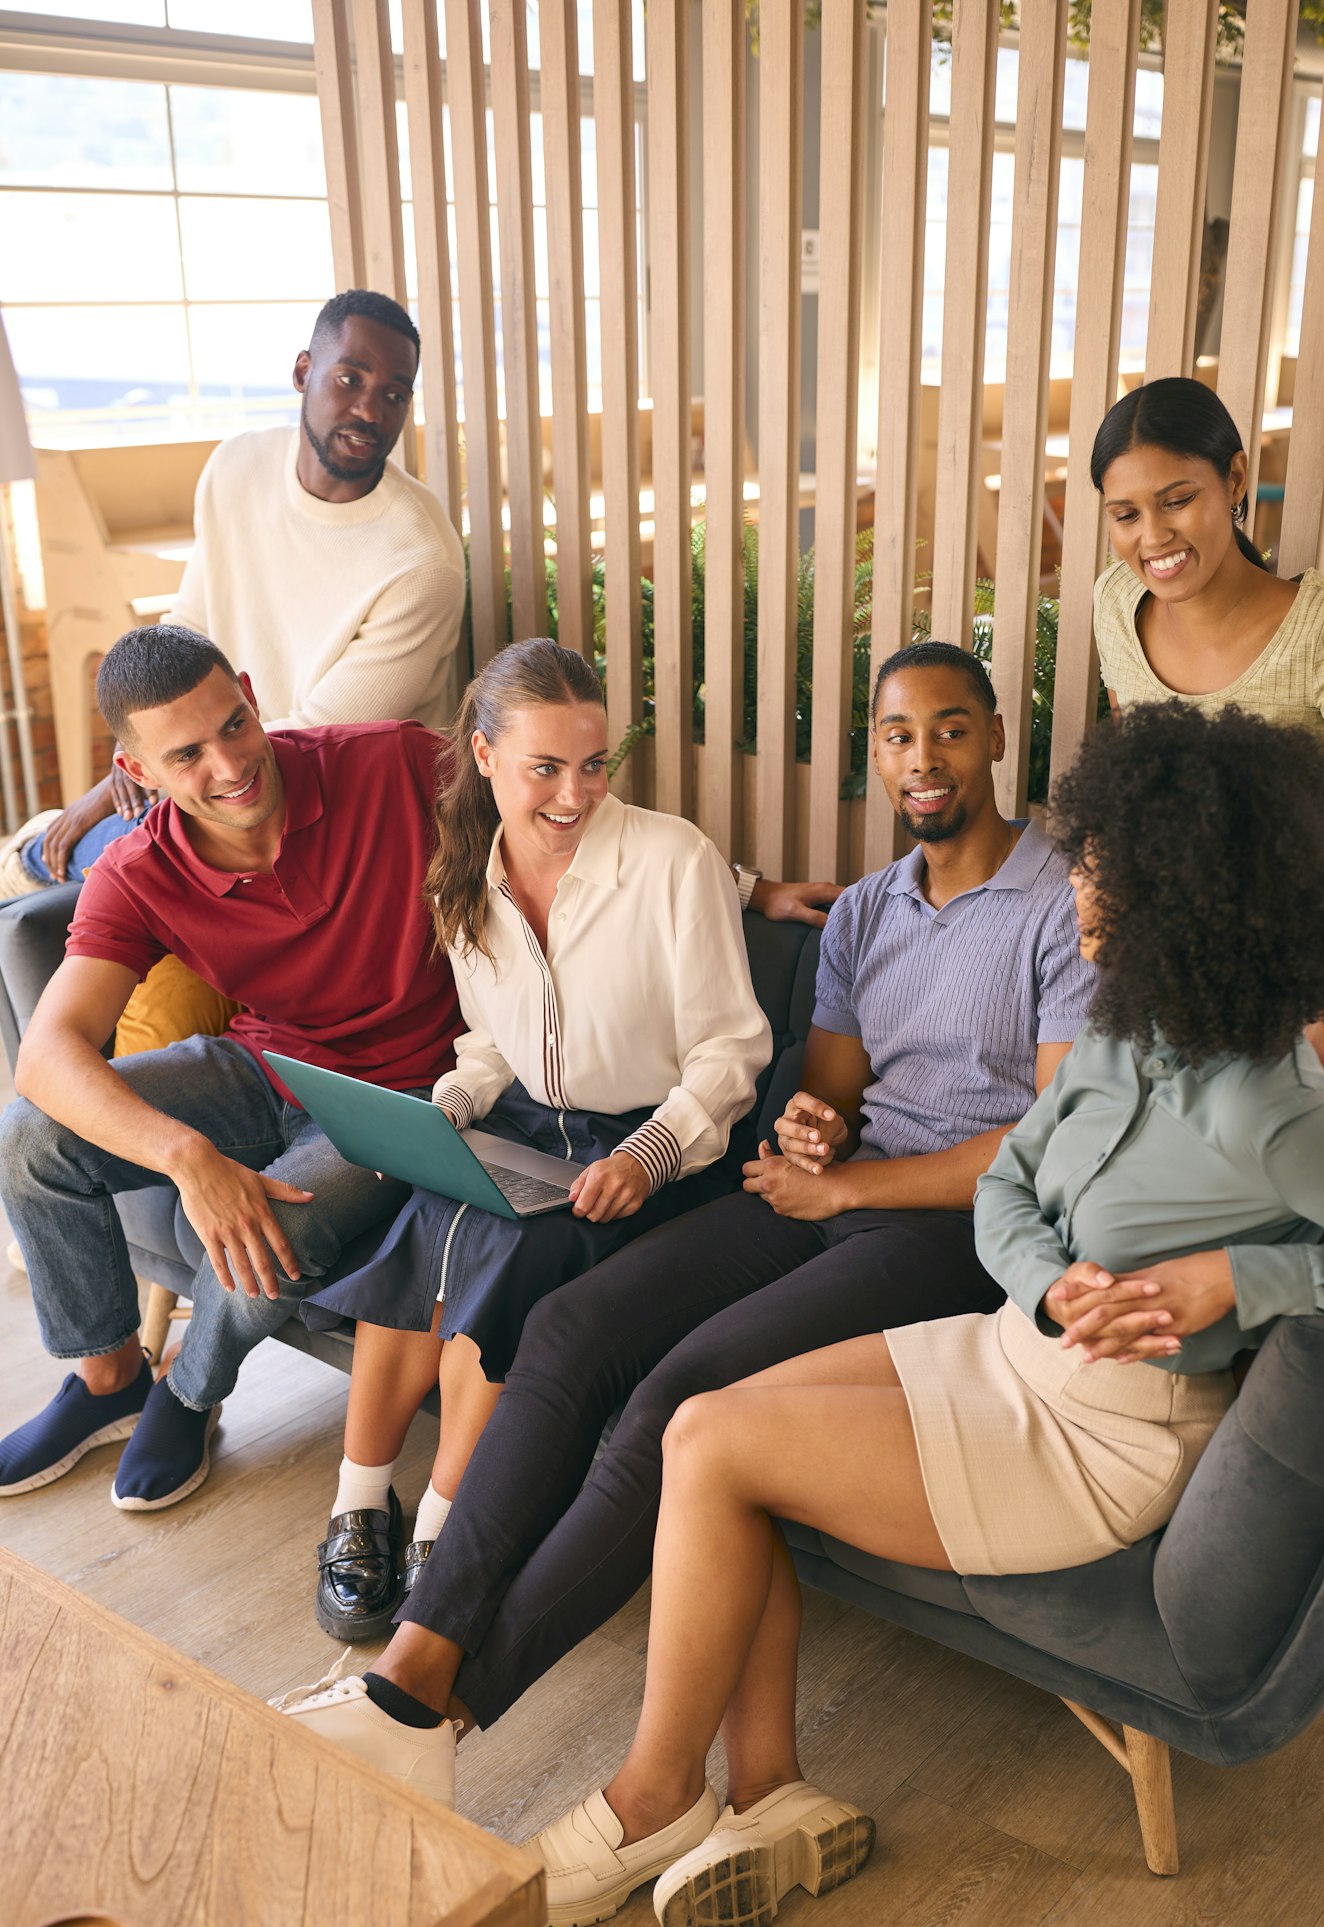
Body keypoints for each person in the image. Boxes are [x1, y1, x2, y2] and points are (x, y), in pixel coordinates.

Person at [511, 699, 1324, 1927]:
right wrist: (1046, 1277)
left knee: (717, 1451)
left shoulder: (1281, 1097)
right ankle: (771, 1793)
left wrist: (1239, 1279)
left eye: (1102, 862)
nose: (1078, 881)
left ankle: (652, 1798)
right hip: (1007, 1349)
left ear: (1184, 882)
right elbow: (1006, 1186)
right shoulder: (1125, 1024)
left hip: (1099, 1436)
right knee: (703, 1422)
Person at [272, 639, 1097, 1804]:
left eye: (953, 728)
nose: (925, 758)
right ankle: (413, 1655)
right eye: (901, 734)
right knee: (564, 1329)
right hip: (822, 1199)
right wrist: (816, 1135)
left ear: (999, 737)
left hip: (953, 1234)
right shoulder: (863, 914)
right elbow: (831, 1097)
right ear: (877, 750)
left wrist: (840, 1184)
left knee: (672, 1394)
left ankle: (427, 1706)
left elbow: (1048, 1146)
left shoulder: (1063, 902)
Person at [301, 637, 771, 1643]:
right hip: (526, 1127)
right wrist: (453, 1104)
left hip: (654, 1146)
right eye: (545, 767)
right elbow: (489, 1043)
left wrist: (646, 1156)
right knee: (428, 1220)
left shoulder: (671, 860)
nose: (574, 792)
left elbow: (730, 1054)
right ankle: (358, 1499)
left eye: (593, 763)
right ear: (484, 756)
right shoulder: (464, 880)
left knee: (508, 1252)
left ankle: (443, 1526)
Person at [0, 625, 462, 1509]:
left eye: (235, 725)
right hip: (262, 1067)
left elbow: (553, 815)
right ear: (136, 773)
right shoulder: (139, 870)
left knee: (265, 1237)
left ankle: (186, 1391)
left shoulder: (392, 761)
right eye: (187, 754)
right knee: (30, 1136)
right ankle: (108, 1383)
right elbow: (48, 1054)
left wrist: (743, 888)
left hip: (403, 1092)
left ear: (250, 693)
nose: (229, 765)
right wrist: (188, 1158)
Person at [8, 289, 467, 892]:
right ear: (304, 372)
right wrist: (141, 755)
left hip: (328, 803)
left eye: (393, 394)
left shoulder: (421, 559)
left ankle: (24, 866)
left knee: (52, 860)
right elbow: (188, 629)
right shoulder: (236, 467)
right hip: (220, 772)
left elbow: (316, 737)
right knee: (73, 853)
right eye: (349, 378)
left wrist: (160, 770)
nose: (369, 410)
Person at [1091, 375, 1324, 735]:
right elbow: (1130, 775)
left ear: (1234, 479)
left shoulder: (1321, 632)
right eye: (1127, 516)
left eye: (1177, 502)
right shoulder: (1116, 600)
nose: (1154, 537)